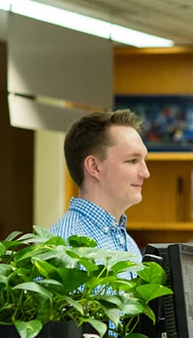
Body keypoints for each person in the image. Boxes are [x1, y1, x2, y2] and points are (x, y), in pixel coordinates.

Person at [49, 110, 149, 259]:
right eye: (132, 161)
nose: (145, 173)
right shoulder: (66, 247)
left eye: (143, 160)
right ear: (94, 166)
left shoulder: (130, 245)